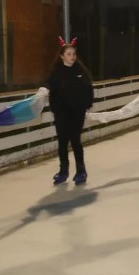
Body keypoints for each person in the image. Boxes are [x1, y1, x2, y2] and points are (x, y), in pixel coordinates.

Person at [47, 38, 95, 184]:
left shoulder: (81, 71)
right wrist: (55, 108)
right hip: (61, 114)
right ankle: (63, 171)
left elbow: (88, 89)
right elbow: (51, 91)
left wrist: (86, 104)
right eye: (68, 54)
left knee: (75, 140)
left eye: (73, 54)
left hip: (77, 113)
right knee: (62, 142)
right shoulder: (56, 73)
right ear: (62, 56)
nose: (72, 56)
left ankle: (81, 171)